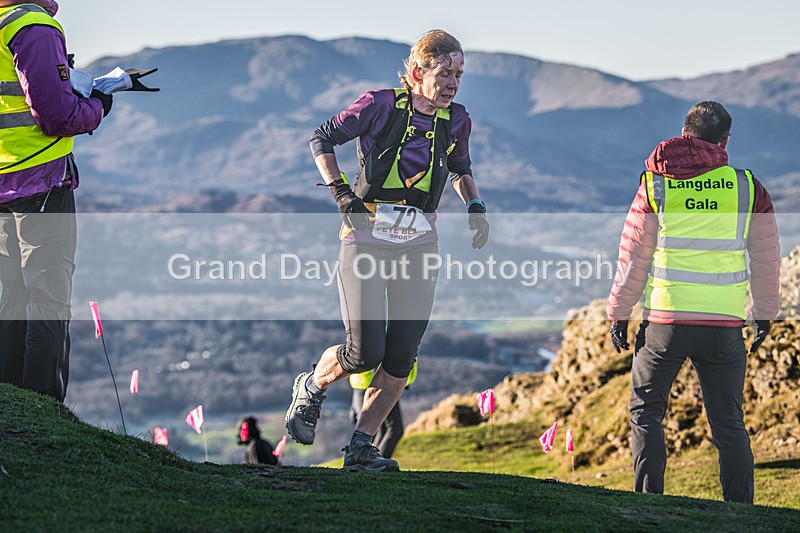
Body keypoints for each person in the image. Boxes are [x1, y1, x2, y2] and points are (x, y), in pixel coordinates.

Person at [286, 29, 489, 472]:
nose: (453, 83)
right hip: (366, 238)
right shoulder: (380, 105)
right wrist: (341, 192)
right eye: (444, 73)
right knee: (364, 353)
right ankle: (313, 385)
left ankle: (360, 448)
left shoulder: (456, 119)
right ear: (417, 72)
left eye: (459, 74)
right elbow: (320, 138)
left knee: (402, 354)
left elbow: (459, 167)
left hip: (419, 242)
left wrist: (473, 203)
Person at [607, 101, 781, 503]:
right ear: (725, 141)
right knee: (729, 425)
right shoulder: (747, 187)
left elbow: (633, 257)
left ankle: (649, 504)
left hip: (665, 324)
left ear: (685, 134)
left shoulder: (655, 185)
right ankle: (741, 512)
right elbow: (767, 257)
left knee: (646, 414)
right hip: (724, 327)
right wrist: (765, 314)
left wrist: (619, 313)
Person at [0, 0, 112, 402]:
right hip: (40, 181)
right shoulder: (32, 25)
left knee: (12, 299)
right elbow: (57, 117)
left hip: (3, 183)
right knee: (48, 300)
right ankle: (45, 405)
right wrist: (98, 104)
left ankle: (12, 401)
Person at [349, 360, 417, 459]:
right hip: (380, 386)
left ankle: (369, 462)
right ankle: (374, 464)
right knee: (394, 429)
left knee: (382, 430)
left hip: (369, 385)